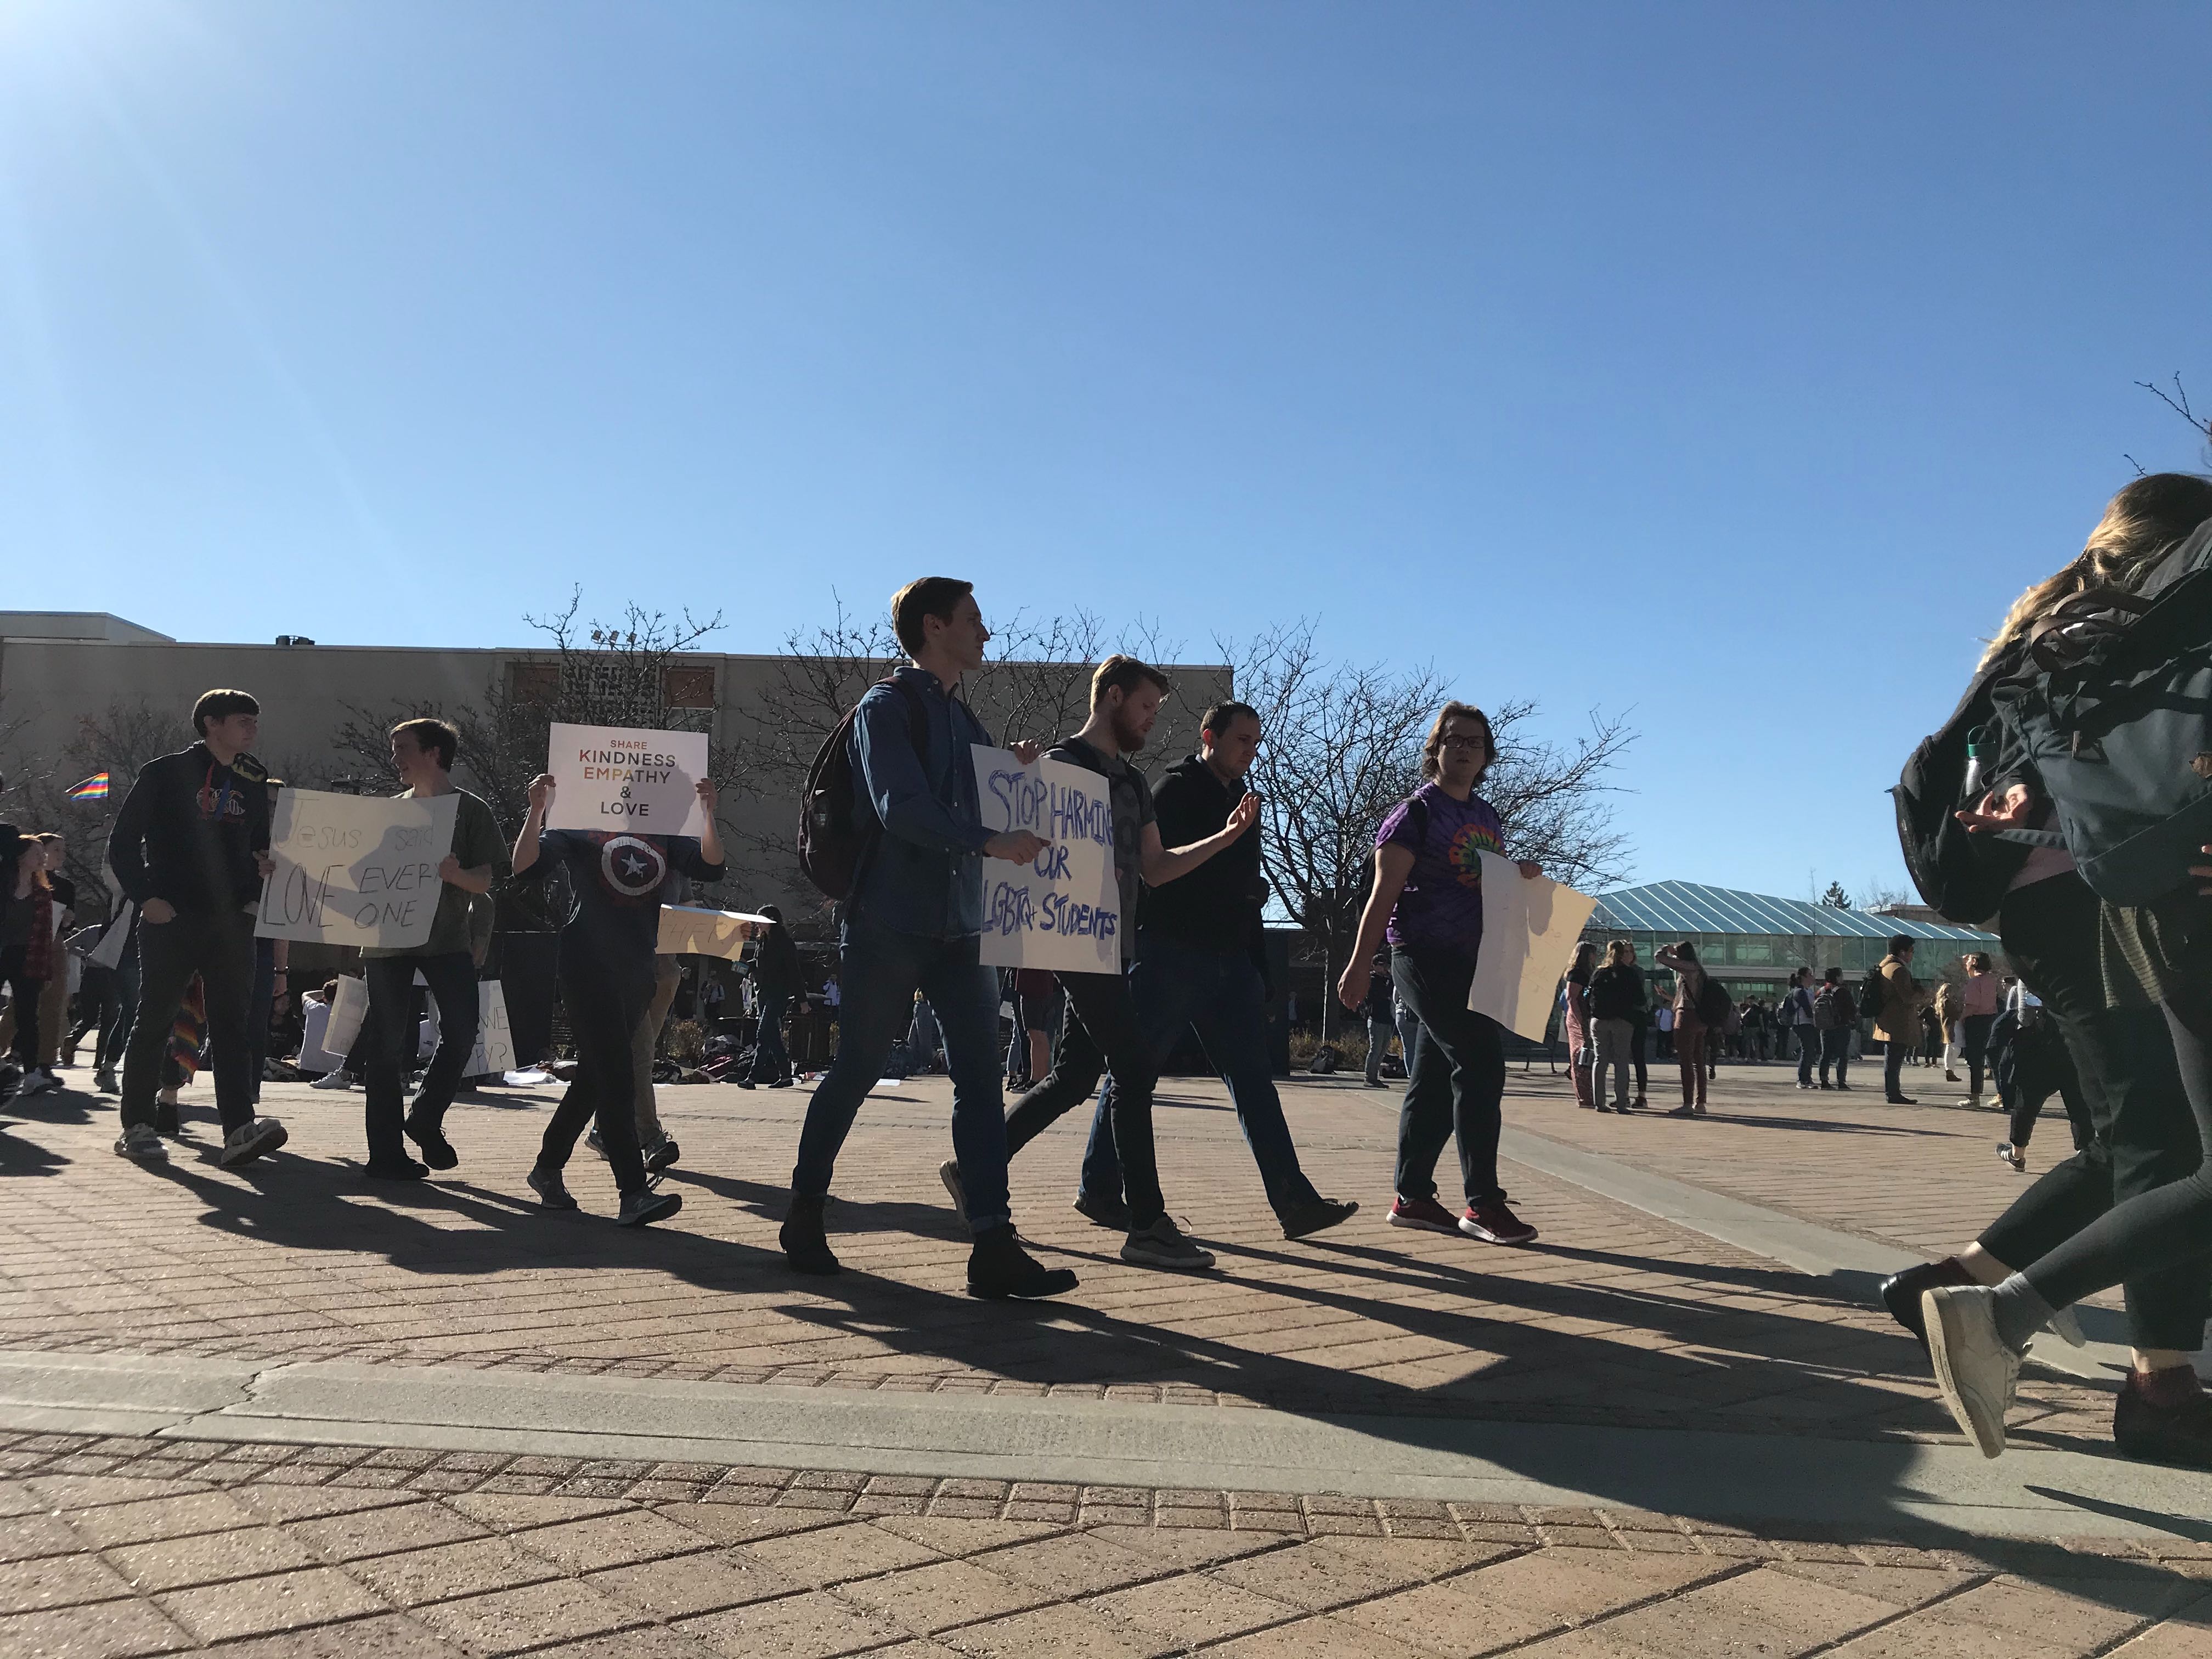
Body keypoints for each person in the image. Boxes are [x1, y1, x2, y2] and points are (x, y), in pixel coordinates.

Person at [1882, 472, 2212, 1466]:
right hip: (2099, 896)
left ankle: (1956, 1282)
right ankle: (2156, 1381)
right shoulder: (2131, 624)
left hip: (2058, 899)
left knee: (2131, 1136)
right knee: (2154, 1136)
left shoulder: (2049, 626)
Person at [782, 577, 1074, 1299]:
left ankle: (993, 1244)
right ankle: (804, 1212)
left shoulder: (962, 718)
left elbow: (975, 792)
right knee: (856, 1068)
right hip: (890, 921)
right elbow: (900, 807)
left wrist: (1016, 771)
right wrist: (992, 839)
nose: (987, 633)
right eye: (975, 620)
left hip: (961, 927)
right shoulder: (886, 708)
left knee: (980, 1083)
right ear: (935, 625)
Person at [994, 657, 1262, 1272]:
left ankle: (978, 1165)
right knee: (1135, 1067)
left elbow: (1157, 869)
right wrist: (1020, 777)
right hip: (1073, 943)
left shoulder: (1133, 784)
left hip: (1115, 946)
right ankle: (1147, 1223)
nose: (1149, 720)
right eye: (1144, 707)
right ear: (1112, 697)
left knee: (1072, 1079)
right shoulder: (1058, 766)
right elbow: (1012, 839)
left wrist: (1224, 837)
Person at [1070, 699, 1355, 1241]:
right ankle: (1100, 1187)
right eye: (1242, 740)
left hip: (1230, 966)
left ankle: (1295, 1203)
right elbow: (1157, 873)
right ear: (1210, 736)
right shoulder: (1174, 790)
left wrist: (1256, 965)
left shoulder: (1245, 804)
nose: (1251, 751)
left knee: (1254, 1085)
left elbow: (1245, 891)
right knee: (1136, 1075)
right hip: (1171, 958)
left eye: (1255, 742)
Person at [1338, 701, 1544, 1246]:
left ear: (1486, 755)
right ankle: (1483, 1204)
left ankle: (1412, 1197)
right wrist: (1359, 964)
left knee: (1431, 1079)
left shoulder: (1487, 817)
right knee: (1480, 1063)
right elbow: (1382, 896)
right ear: (1436, 748)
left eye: (1475, 742)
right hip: (1422, 955)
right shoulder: (1414, 814)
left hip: (1475, 960)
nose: (1464, 749)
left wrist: (1520, 875)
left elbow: (1491, 888)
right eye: (1454, 739)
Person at [510, 769, 721, 1227]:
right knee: (617, 1073)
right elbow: (525, 867)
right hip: (587, 963)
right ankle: (632, 1192)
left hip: (637, 968)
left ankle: (547, 1170)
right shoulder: (583, 827)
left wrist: (708, 815)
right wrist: (537, 811)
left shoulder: (668, 839)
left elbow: (712, 867)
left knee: (596, 1075)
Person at [106, 691, 286, 1167]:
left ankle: (238, 1131)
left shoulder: (252, 778)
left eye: (256, 720)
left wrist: (256, 885)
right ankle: (138, 1125)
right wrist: (147, 899)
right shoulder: (164, 773)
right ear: (211, 723)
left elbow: (259, 846)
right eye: (243, 720)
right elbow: (122, 843)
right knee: (156, 1019)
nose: (252, 729)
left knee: (233, 1026)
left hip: (231, 922)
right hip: (172, 917)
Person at [347, 721, 503, 1178]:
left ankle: (425, 1117)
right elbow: (354, 872)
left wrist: (456, 877)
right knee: (386, 1046)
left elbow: (484, 883)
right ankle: (386, 1154)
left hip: (446, 939)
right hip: (388, 941)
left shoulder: (471, 812)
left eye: (403, 749)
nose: (395, 759)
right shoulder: (388, 813)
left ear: (434, 754)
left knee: (462, 1031)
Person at [1, 834, 54, 1101]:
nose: (42, 858)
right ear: (21, 857)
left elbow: (46, 935)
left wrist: (46, 970)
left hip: (29, 956)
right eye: (37, 853)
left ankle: (32, 1073)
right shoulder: (4, 885)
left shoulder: (43, 894)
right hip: (3, 952)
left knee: (28, 1015)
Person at [742, 904, 808, 1088]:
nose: (758, 924)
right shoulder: (761, 941)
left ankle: (752, 1077)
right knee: (772, 1035)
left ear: (772, 921)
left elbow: (794, 971)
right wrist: (745, 965)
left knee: (763, 1033)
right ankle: (786, 1076)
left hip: (778, 993)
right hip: (762, 992)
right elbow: (759, 963)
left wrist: (802, 999)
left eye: (761, 920)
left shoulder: (785, 942)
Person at [1652, 942, 1711, 1116]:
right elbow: (1686, 996)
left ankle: (1687, 1103)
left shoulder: (1689, 967)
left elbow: (1659, 958)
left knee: (1685, 1061)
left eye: (1678, 953)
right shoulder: (1699, 970)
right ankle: (1700, 1102)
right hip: (1700, 1018)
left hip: (1686, 1017)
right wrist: (1668, 997)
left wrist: (1666, 949)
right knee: (1699, 1062)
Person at [1868, 937, 1925, 1104]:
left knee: (1892, 1059)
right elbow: (1907, 997)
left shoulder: (1884, 966)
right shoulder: (1898, 970)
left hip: (1887, 1019)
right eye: (1911, 951)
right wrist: (1920, 992)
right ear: (1902, 952)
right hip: (1898, 1021)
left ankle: (1892, 1092)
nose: (1912, 955)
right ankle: (1893, 1093)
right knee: (1894, 1060)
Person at [1586, 939, 1641, 1113]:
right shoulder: (1630, 974)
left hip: (1599, 1020)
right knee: (1621, 1061)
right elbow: (1640, 998)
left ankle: (1599, 1102)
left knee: (1600, 1060)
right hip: (1622, 1020)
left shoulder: (1599, 973)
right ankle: (1621, 1102)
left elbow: (1588, 993)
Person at [1956, 952, 2000, 1107]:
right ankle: (2001, 1094)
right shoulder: (1991, 980)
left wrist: (1961, 1019)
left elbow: (1972, 1005)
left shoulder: (1975, 982)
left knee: (1975, 1061)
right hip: (1991, 1019)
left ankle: (1975, 1096)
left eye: (1968, 961)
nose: (1965, 964)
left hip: (1976, 1021)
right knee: (1993, 1058)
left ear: (1974, 962)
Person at [1560, 941, 1596, 1108]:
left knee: (1588, 1055)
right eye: (1593, 954)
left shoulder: (1589, 973)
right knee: (1579, 1056)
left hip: (1587, 1017)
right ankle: (1583, 1096)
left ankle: (1591, 1092)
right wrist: (1580, 1020)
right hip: (1577, 1019)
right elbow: (1572, 998)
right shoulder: (1576, 974)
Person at [1812, 968, 1854, 1090]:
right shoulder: (1842, 992)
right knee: (1842, 1054)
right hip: (1841, 1026)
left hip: (1825, 1027)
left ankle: (1824, 1081)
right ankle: (1841, 1082)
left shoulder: (1820, 992)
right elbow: (1851, 1009)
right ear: (1837, 977)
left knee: (1825, 1054)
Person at [1362, 952, 1395, 1089]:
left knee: (1383, 1050)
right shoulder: (1372, 979)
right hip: (1376, 1018)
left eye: (1385, 965)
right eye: (1381, 966)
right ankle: (1369, 1077)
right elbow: (1381, 993)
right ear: (1374, 966)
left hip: (1388, 1018)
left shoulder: (1388, 979)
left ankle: (1375, 1077)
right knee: (1375, 1049)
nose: (1384, 968)